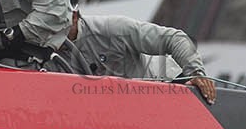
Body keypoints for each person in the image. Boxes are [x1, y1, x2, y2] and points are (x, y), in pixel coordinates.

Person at [61, 8, 218, 103]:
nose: (49, 32)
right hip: (123, 108)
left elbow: (175, 39)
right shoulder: (45, 52)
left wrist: (196, 73)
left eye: (56, 23)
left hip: (168, 83)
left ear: (74, 16)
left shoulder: (112, 29)